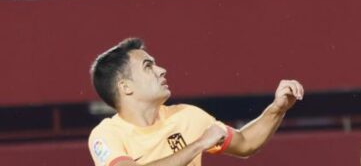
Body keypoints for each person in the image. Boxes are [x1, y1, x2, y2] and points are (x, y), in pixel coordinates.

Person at [88, 38, 303, 165]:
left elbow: (246, 143)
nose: (161, 70)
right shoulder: (105, 135)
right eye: (148, 66)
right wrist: (199, 144)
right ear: (125, 87)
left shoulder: (186, 116)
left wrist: (277, 109)